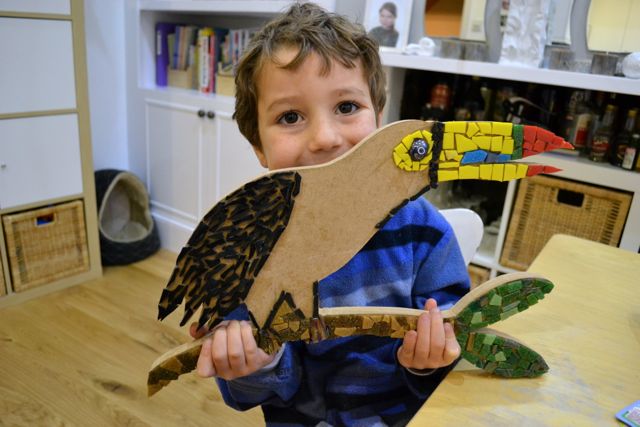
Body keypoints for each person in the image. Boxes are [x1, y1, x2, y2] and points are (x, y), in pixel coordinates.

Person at [190, 3, 470, 425]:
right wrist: (257, 363)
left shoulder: (423, 233)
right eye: (290, 116)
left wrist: (429, 360)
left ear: (380, 118)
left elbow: (455, 354)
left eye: (346, 107)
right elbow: (250, 394)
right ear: (260, 150)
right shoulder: (248, 256)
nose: (325, 138)